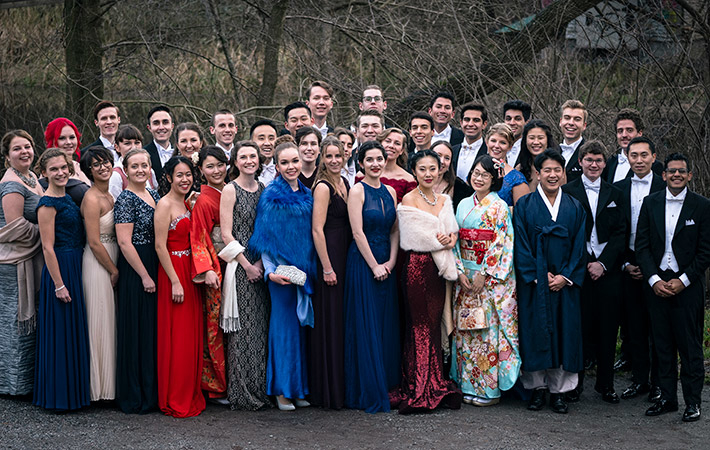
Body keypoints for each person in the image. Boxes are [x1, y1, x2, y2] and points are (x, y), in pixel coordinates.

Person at [636, 153, 710, 423]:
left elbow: (706, 251)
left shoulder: (702, 206)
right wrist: (653, 279)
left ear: (689, 175)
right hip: (657, 284)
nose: (676, 175)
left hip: (687, 287)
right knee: (662, 345)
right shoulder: (650, 202)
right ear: (664, 175)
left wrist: (684, 280)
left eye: (682, 171)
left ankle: (693, 402)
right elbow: (641, 246)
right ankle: (667, 398)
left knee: (690, 347)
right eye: (671, 171)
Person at [389, 150, 462, 413]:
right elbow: (414, 239)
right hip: (418, 268)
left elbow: (452, 235)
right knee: (418, 326)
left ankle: (435, 380)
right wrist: (441, 239)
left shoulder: (444, 199)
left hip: (438, 271)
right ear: (415, 172)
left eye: (433, 168)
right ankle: (419, 385)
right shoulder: (408, 198)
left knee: (432, 325)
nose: (429, 174)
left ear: (440, 170)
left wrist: (449, 240)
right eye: (423, 169)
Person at [514, 149, 586, 414]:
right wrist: (537, 274)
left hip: (563, 284)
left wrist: (565, 276)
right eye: (547, 170)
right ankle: (536, 389)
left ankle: (559, 391)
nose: (552, 175)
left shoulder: (575, 207)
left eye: (557, 170)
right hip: (535, 283)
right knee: (535, 332)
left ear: (563, 173)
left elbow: (580, 246)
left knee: (564, 332)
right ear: (537, 173)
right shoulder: (524, 206)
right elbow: (520, 244)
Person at [249, 141, 315, 411]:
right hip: (280, 274)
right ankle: (281, 391)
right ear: (276, 166)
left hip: (304, 271)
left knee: (299, 332)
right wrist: (271, 272)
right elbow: (264, 239)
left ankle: (298, 388)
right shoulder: (271, 195)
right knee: (283, 330)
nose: (291, 167)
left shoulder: (308, 194)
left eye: (295, 161)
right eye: (285, 162)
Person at [451, 154, 520, 406]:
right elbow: (455, 240)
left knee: (487, 334)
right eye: (475, 173)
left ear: (494, 180)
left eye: (485, 175)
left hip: (488, 279)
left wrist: (484, 273)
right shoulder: (462, 204)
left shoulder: (498, 206)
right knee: (467, 332)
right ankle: (468, 385)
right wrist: (459, 271)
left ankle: (489, 391)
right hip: (465, 277)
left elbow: (503, 242)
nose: (478, 178)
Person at [562, 141, 627, 404]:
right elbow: (567, 232)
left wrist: (603, 263)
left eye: (599, 160)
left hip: (608, 271)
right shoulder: (568, 191)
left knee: (608, 328)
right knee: (579, 328)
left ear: (604, 163)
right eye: (589, 159)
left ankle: (606, 384)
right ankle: (575, 384)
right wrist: (586, 262)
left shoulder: (616, 193)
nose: (594, 164)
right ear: (580, 162)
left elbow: (621, 232)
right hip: (579, 269)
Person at [343, 141, 400, 413]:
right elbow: (357, 233)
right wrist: (374, 265)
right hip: (363, 263)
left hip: (387, 262)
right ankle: (366, 387)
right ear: (361, 163)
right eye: (370, 160)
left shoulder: (390, 190)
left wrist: (390, 261)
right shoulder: (357, 190)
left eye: (379, 159)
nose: (375, 164)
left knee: (384, 323)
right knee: (366, 324)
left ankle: (387, 381)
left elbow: (394, 231)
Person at [33, 148, 90, 411]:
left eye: (63, 167)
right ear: (43, 173)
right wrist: (58, 284)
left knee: (74, 328)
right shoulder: (46, 204)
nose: (60, 173)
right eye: (53, 169)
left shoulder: (68, 197)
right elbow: (47, 248)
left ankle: (75, 393)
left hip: (76, 263)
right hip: (61, 269)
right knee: (61, 331)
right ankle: (59, 397)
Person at [219, 140, 271, 411]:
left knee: (260, 330)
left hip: (262, 265)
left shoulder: (263, 189)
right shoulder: (230, 189)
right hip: (240, 268)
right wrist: (247, 265)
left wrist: (262, 261)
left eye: (253, 156)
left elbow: (266, 229)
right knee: (241, 331)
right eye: (243, 157)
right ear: (235, 162)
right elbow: (226, 234)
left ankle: (260, 389)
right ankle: (241, 393)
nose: (249, 160)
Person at [613, 136, 664, 403]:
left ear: (654, 157)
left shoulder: (665, 186)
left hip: (657, 264)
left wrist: (651, 267)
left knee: (657, 328)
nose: (639, 160)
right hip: (628, 261)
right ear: (627, 158)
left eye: (644, 155)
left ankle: (659, 383)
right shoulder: (618, 189)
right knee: (634, 327)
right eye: (634, 155)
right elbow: (615, 231)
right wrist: (625, 263)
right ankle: (640, 380)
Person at [154, 156, 206, 418]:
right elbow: (160, 246)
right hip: (173, 273)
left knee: (192, 334)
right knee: (178, 336)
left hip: (190, 271)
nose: (184, 179)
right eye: (179, 175)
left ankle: (190, 389)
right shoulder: (164, 205)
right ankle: (176, 395)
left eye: (188, 174)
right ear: (168, 178)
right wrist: (174, 280)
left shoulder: (188, 202)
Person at [114, 148, 161, 414]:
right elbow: (124, 242)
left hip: (154, 261)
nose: (141, 170)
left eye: (145, 165)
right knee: (136, 328)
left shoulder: (153, 194)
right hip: (137, 267)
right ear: (126, 170)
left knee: (150, 330)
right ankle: (134, 394)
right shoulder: (126, 199)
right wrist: (144, 275)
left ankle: (151, 390)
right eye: (135, 166)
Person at [0, 130, 44, 396]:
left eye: (27, 146)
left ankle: (25, 381)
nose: (24, 152)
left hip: (30, 256)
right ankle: (12, 384)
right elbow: (15, 228)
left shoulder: (31, 179)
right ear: (7, 156)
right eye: (17, 149)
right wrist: (49, 233)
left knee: (28, 321)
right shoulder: (12, 184)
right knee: (15, 320)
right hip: (15, 261)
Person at [309, 136, 351, 409]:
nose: (334, 160)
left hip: (346, 254)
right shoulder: (323, 187)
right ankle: (327, 389)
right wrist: (326, 267)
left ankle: (341, 384)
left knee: (341, 321)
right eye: (330, 156)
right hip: (330, 256)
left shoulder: (345, 182)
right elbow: (316, 229)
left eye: (339, 155)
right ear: (322, 158)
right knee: (330, 320)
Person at [79, 146, 119, 402]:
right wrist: (113, 269)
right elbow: (93, 241)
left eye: (105, 162)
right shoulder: (92, 198)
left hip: (113, 254)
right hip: (98, 262)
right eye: (96, 164)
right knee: (100, 321)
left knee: (111, 321)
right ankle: (99, 388)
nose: (103, 167)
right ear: (89, 170)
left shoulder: (110, 195)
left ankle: (111, 385)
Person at [190, 145, 229, 404]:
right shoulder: (203, 199)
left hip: (237, 260)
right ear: (201, 170)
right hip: (217, 265)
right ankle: (215, 385)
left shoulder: (231, 189)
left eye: (220, 164)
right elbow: (198, 236)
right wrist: (206, 269)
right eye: (210, 166)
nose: (216, 171)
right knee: (214, 326)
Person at [603, 108, 663, 184]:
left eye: (629, 130)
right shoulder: (609, 163)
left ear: (640, 133)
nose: (624, 135)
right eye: (620, 131)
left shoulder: (654, 166)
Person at [42, 118, 90, 205]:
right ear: (52, 141)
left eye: (72, 137)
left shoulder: (79, 165)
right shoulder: (48, 172)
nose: (68, 142)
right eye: (62, 138)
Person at [362, 128, 416, 204]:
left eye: (397, 143)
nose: (391, 146)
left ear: (402, 150)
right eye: (388, 141)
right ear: (380, 143)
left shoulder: (409, 180)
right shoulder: (363, 174)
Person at [109, 124, 158, 200]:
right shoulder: (116, 175)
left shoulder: (150, 171)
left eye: (137, 142)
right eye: (127, 143)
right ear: (117, 147)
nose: (133, 147)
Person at [485, 123, 528, 207]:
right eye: (493, 141)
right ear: (487, 142)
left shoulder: (516, 179)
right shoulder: (477, 171)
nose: (496, 146)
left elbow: (523, 213)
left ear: (510, 147)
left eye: (502, 143)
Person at [159, 122, 204, 195]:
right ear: (177, 145)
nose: (189, 145)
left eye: (193, 140)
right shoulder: (169, 169)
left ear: (201, 143)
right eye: (184, 141)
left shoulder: (208, 167)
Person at [451, 103, 489, 182]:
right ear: (461, 123)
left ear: (484, 124)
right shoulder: (452, 151)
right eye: (467, 119)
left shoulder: (489, 152)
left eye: (476, 120)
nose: (470, 124)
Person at [431, 140, 473, 211]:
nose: (442, 161)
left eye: (447, 158)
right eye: (438, 155)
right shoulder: (416, 181)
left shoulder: (459, 187)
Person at [516, 119, 556, 192]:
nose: (536, 142)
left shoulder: (558, 169)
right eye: (531, 138)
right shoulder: (519, 169)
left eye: (540, 138)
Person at [555, 100, 587, 184]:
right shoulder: (552, 151)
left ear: (584, 125)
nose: (571, 123)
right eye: (567, 118)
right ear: (560, 122)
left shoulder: (590, 153)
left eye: (577, 119)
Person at [143, 105, 175, 182]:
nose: (161, 127)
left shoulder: (180, 152)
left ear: (172, 126)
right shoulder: (143, 154)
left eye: (165, 122)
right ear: (149, 128)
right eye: (156, 123)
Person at [86, 100, 121, 164]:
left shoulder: (127, 148)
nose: (109, 122)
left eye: (112, 117)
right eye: (104, 118)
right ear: (96, 122)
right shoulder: (86, 153)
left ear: (118, 120)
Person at [502, 99, 531, 167]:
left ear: (527, 123)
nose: (512, 123)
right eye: (508, 119)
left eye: (517, 119)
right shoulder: (495, 147)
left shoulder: (530, 150)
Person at [251, 119, 278, 186]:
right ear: (251, 142)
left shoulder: (284, 168)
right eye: (261, 138)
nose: (267, 143)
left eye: (271, 138)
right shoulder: (244, 170)